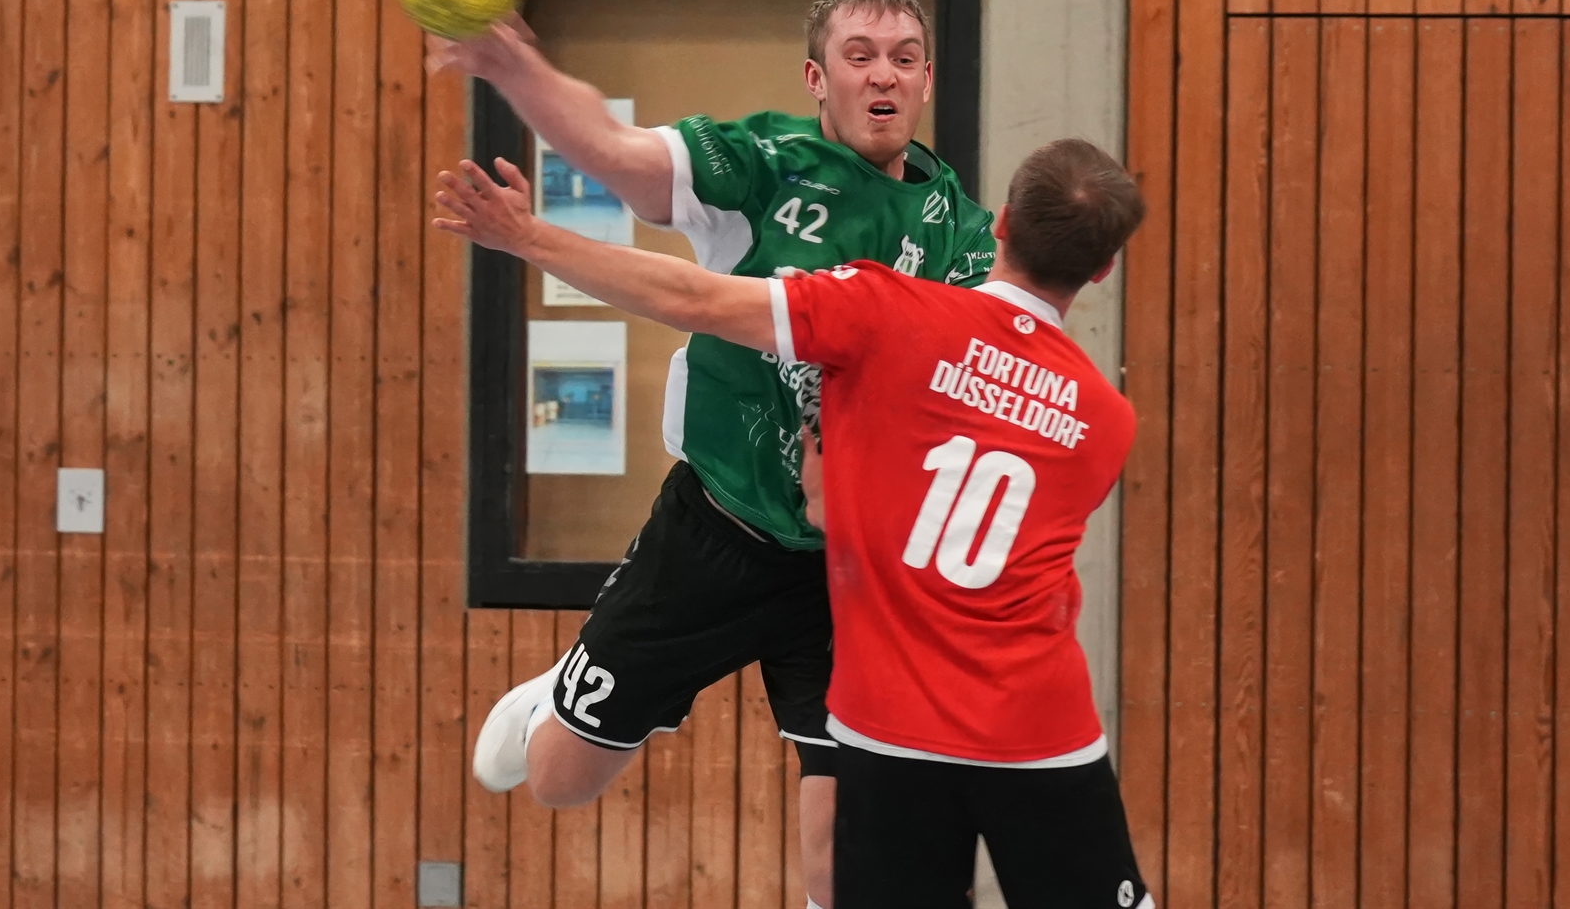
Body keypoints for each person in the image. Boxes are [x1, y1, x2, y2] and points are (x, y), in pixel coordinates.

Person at [432, 137, 1152, 909]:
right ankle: (562, 689)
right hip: (782, 569)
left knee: (840, 875)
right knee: (560, 778)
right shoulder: (1106, 421)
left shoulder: (892, 308)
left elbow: (691, 297)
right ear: (1104, 268)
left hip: (882, 665)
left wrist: (529, 236)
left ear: (1001, 223)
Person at [435, 0, 997, 907]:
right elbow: (614, 151)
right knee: (560, 781)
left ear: (928, 79)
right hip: (714, 535)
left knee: (845, 856)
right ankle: (556, 693)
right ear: (818, 78)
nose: (883, 76)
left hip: (847, 568)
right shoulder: (761, 166)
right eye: (859, 56)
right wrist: (515, 67)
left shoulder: (959, 235)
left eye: (903, 59)